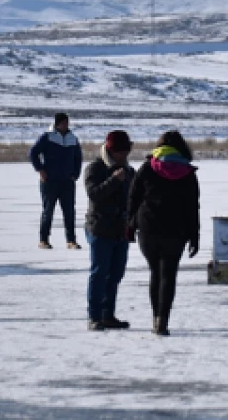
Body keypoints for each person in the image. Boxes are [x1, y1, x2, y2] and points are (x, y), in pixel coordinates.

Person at [127, 131, 200, 336]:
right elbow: (193, 207)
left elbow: (133, 198)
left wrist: (130, 225)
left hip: (148, 228)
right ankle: (163, 321)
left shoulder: (147, 168)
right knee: (168, 274)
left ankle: (155, 318)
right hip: (176, 230)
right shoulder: (187, 172)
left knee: (155, 273)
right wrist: (195, 236)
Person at [83, 130, 135, 331]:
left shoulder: (130, 171)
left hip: (121, 231)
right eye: (120, 152)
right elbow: (94, 194)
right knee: (99, 273)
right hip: (100, 229)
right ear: (111, 151)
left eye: (126, 152)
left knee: (115, 274)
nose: (123, 156)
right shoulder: (95, 168)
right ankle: (94, 316)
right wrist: (114, 181)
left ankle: (108, 315)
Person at [28, 112, 83, 250]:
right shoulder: (48, 137)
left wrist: (75, 174)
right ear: (57, 123)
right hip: (50, 181)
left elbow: (78, 158)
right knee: (48, 211)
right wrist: (40, 169)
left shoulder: (73, 139)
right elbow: (33, 153)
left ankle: (71, 241)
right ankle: (43, 240)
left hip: (67, 182)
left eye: (67, 122)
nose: (65, 125)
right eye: (63, 122)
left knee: (69, 212)